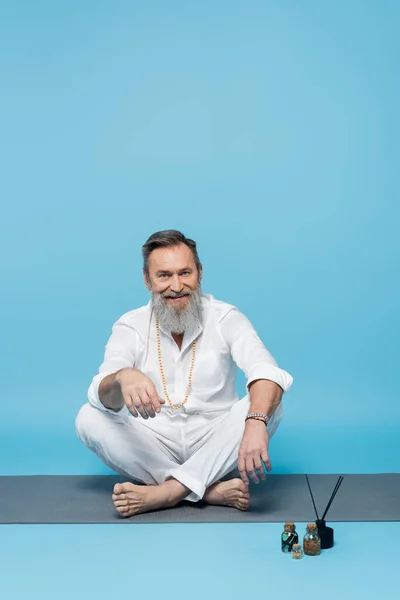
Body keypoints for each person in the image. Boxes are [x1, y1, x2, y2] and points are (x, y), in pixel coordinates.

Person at [75, 230, 293, 517]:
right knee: (88, 417)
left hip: (214, 441)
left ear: (200, 273)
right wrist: (122, 377)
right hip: (152, 443)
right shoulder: (130, 325)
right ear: (147, 279)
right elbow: (103, 396)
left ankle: (167, 493)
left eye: (185, 273)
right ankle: (205, 489)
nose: (176, 286)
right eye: (164, 275)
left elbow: (266, 370)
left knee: (268, 406)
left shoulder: (226, 318)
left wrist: (255, 421)